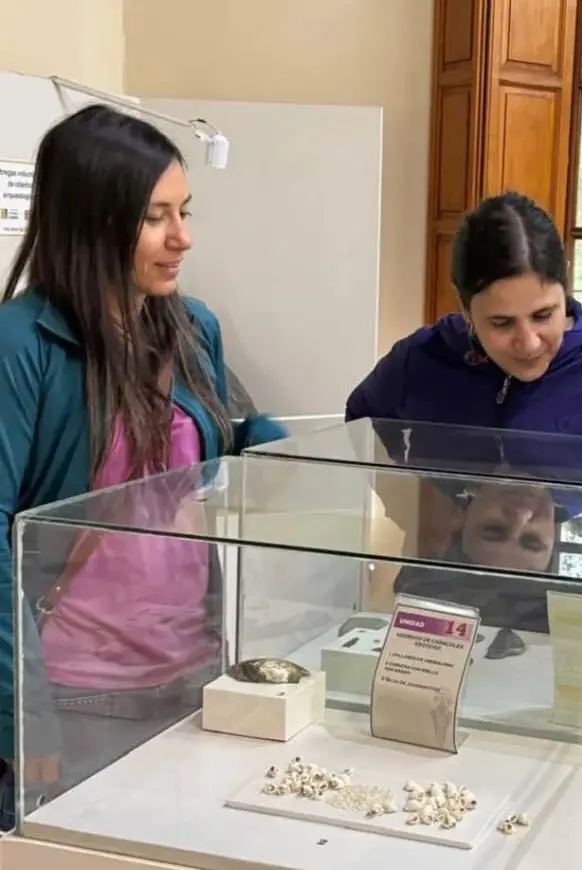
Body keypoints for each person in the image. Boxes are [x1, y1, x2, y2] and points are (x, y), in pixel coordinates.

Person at [0, 104, 286, 823]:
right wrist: (20, 714)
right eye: (156, 217)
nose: (183, 237)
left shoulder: (193, 327)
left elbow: (206, 462)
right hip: (75, 691)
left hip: (194, 669)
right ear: (92, 220)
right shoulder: (20, 345)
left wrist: (276, 445)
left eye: (184, 212)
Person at [345, 192, 582, 451]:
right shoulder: (420, 357)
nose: (529, 343)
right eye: (501, 323)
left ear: (566, 285)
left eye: (543, 315)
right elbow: (359, 417)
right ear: (465, 308)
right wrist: (403, 498)